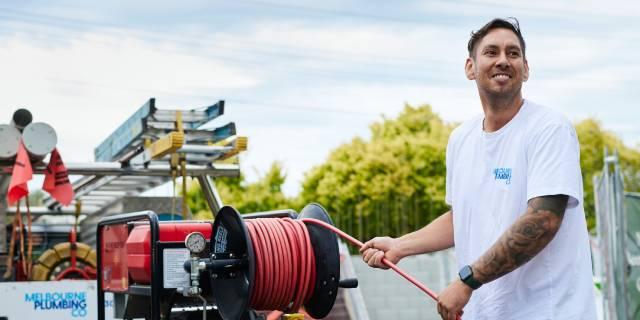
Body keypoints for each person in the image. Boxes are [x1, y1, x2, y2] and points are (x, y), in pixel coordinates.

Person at [360, 18, 596, 320]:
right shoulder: (461, 139)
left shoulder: (549, 128)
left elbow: (544, 220)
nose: (503, 60)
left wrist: (468, 280)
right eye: (491, 52)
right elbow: (464, 217)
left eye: (513, 54)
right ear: (470, 67)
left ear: (526, 68)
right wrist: (400, 246)